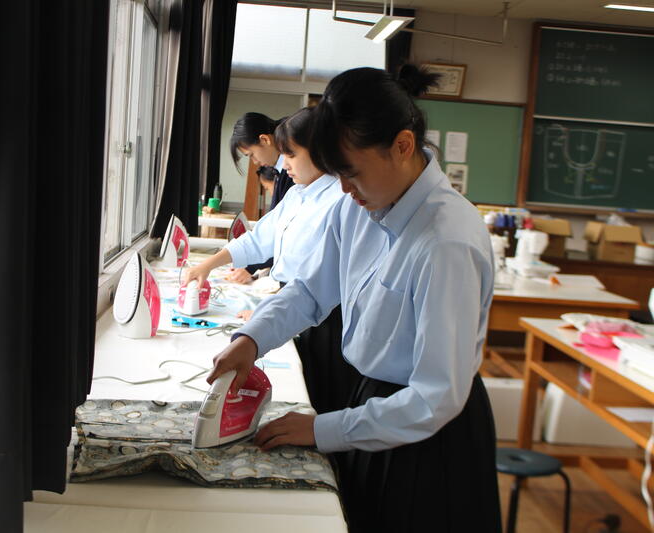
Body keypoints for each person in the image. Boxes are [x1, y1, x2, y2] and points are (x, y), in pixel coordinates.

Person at [206, 65, 501, 532]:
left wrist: (323, 428)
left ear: (402, 146)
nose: (344, 189)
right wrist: (252, 338)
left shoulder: (446, 241)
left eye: (352, 172)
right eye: (337, 173)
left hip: (427, 433)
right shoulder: (358, 206)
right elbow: (310, 289)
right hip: (372, 402)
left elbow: (435, 396)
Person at [184, 107, 344, 302]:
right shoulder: (296, 194)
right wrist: (207, 265)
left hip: (312, 304)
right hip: (292, 299)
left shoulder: (340, 200)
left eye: (291, 155)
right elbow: (259, 240)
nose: (285, 165)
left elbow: (319, 280)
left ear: (317, 150)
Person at [226, 113, 295, 284]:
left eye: (251, 155)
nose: (255, 162)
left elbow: (280, 232)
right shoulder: (282, 173)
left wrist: (250, 267)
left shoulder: (292, 176)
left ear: (264, 140)